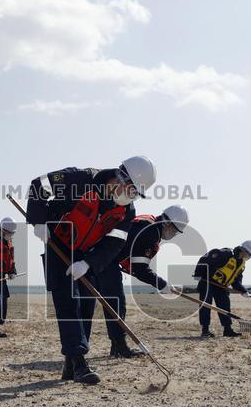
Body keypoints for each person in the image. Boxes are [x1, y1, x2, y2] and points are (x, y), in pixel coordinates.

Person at [26, 157, 157, 385]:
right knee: (68, 304)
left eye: (136, 194)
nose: (131, 196)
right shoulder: (81, 179)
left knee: (87, 304)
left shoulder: (126, 210)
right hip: (58, 245)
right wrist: (39, 222)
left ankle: (71, 364)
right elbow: (39, 185)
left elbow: (115, 242)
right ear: (119, 177)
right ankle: (79, 363)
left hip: (87, 255)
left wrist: (89, 263)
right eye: (131, 190)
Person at [96, 205, 189, 357]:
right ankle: (119, 347)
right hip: (105, 262)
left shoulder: (148, 225)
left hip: (104, 259)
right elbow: (140, 269)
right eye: (174, 230)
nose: (173, 235)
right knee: (117, 304)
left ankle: (116, 346)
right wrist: (162, 284)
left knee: (113, 304)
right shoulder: (150, 232)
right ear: (167, 223)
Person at [193, 241, 251, 338]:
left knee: (225, 306)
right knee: (205, 306)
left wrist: (243, 290)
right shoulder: (225, 254)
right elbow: (204, 259)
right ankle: (205, 331)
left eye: (249, 256)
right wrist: (198, 273)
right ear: (243, 250)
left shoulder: (241, 264)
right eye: (247, 254)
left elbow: (236, 281)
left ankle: (228, 330)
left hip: (221, 286)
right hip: (207, 282)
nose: (247, 257)